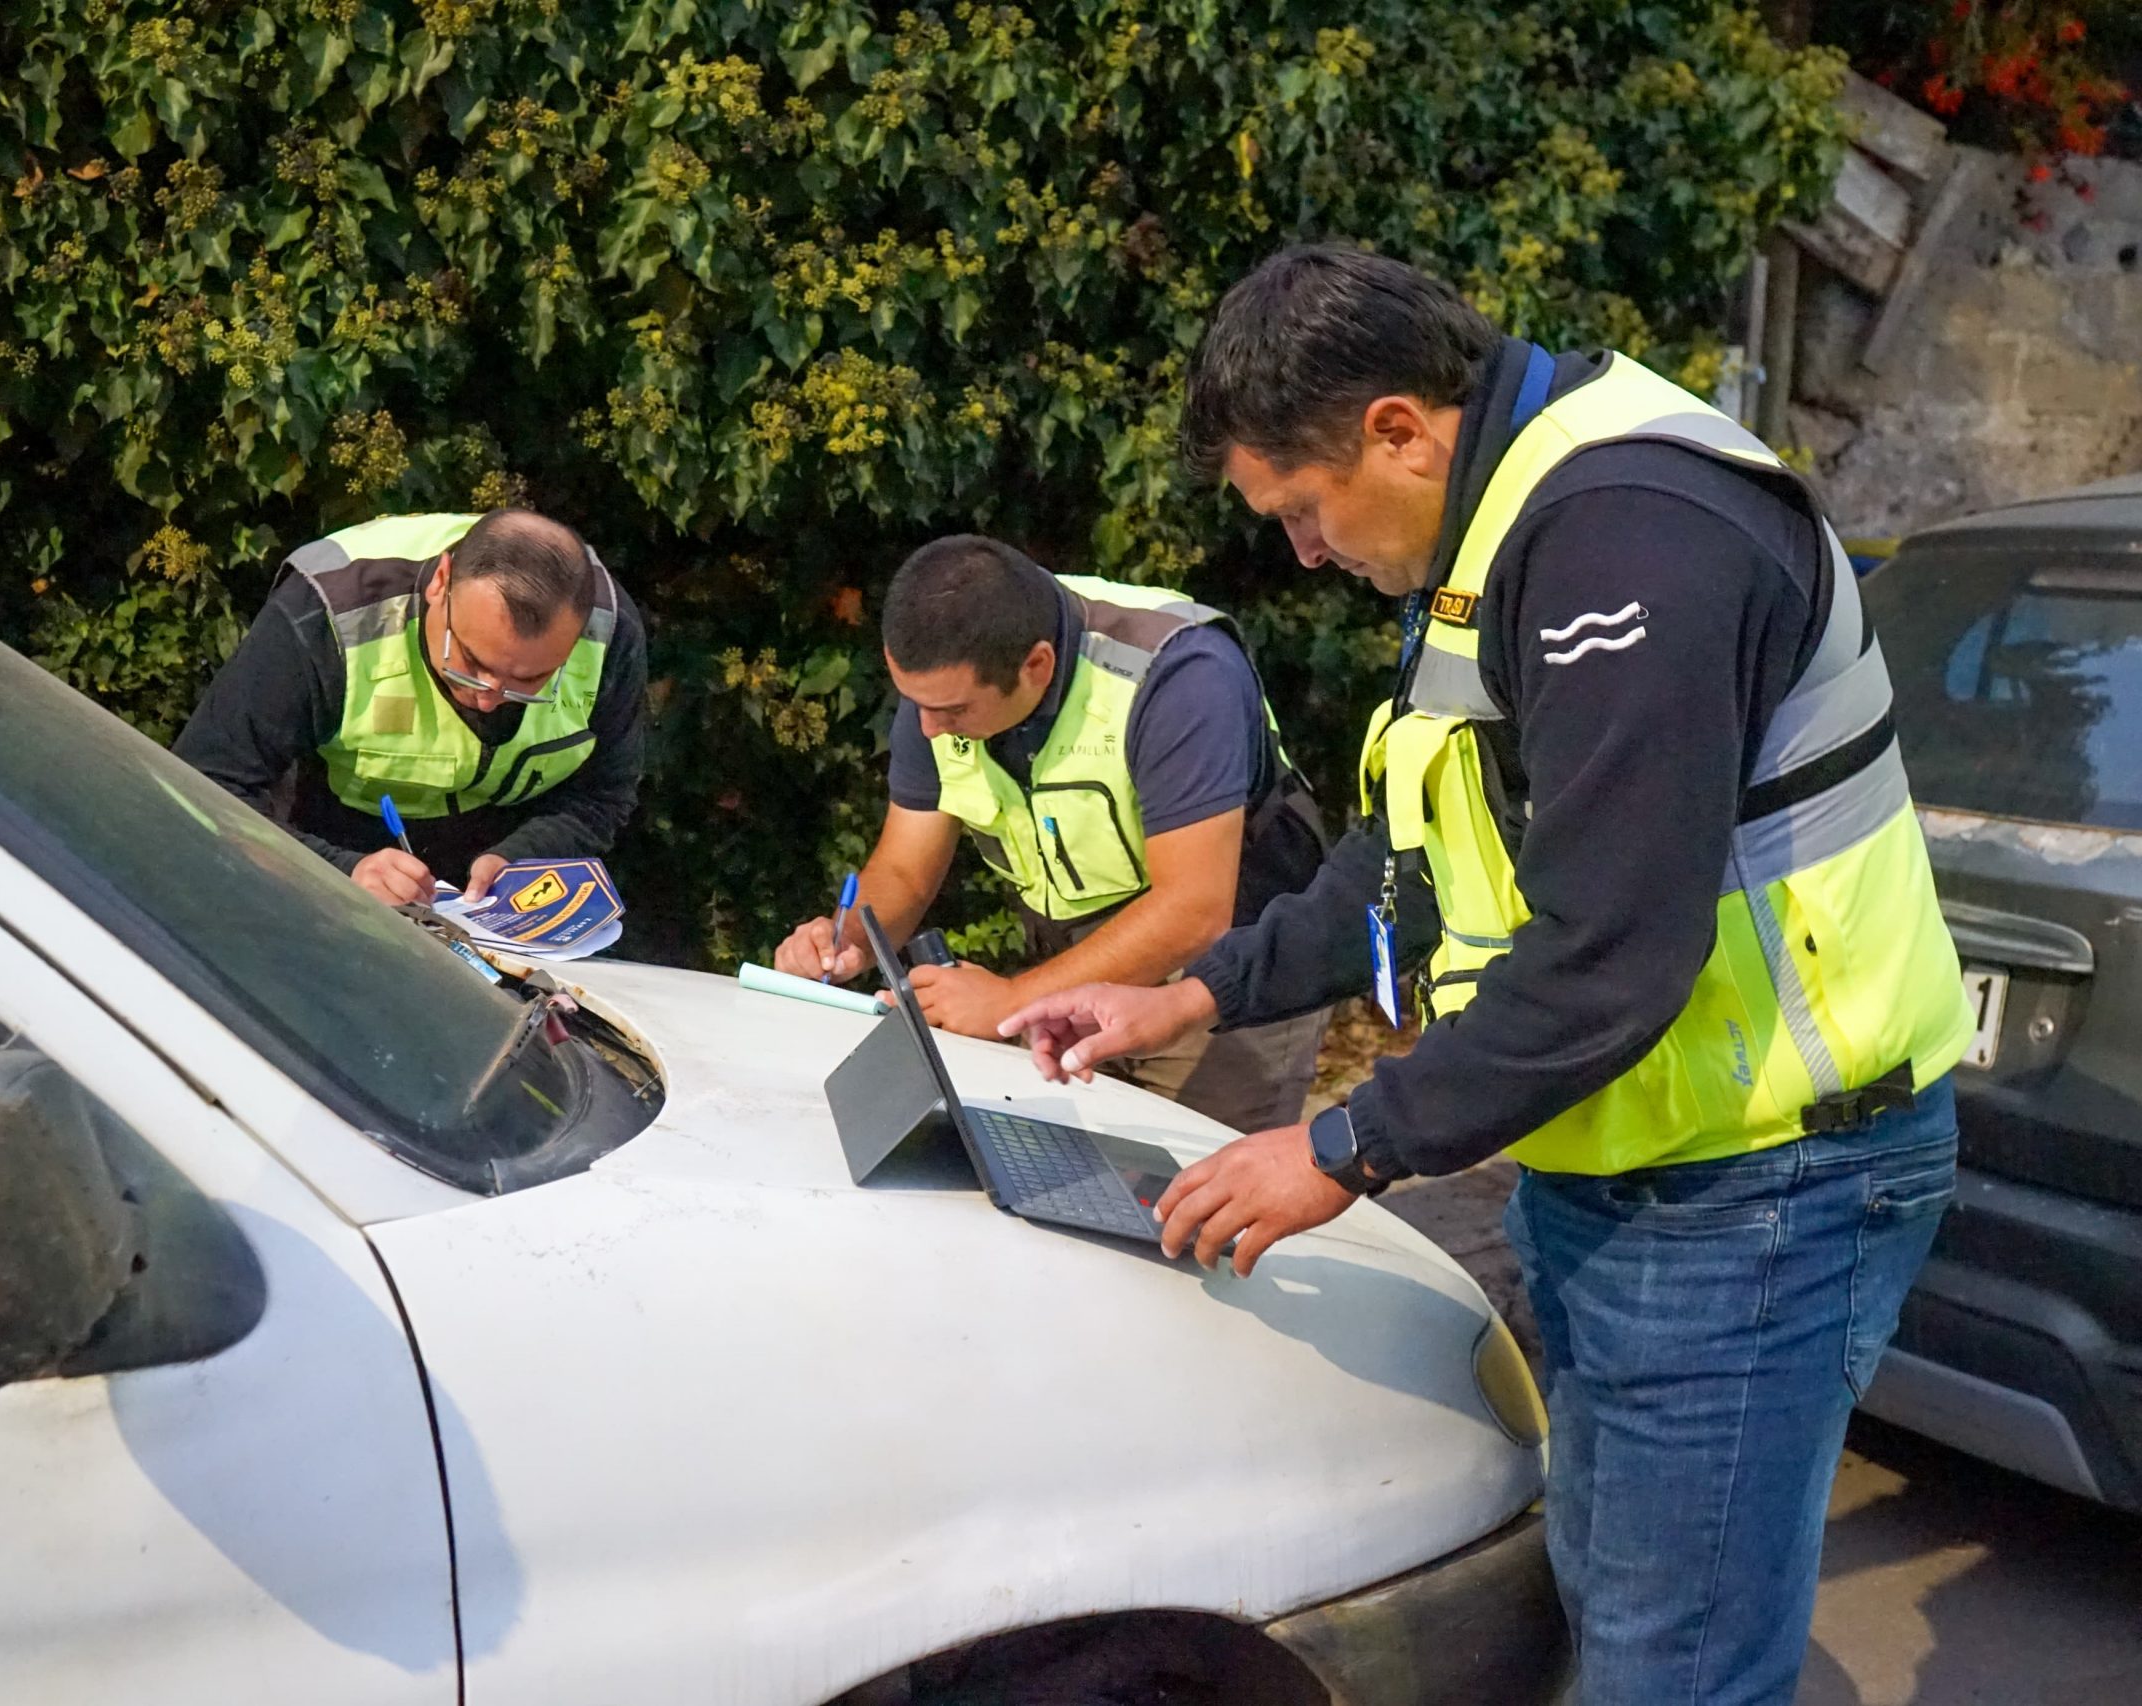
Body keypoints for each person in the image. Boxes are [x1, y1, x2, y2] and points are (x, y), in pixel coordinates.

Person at [1001, 246, 1971, 1705]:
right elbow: (1409, 854)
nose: (1306, 555)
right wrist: (1191, 991)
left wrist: (1344, 1144)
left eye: (1304, 511)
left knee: (1675, 1668)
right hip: (1637, 1160)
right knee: (1608, 1601)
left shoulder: (1626, 544)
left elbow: (1609, 958)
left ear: (1399, 426)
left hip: (1764, 1189)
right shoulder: (1504, 519)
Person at [776, 535, 1330, 1133]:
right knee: (1065, 1196)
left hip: (1223, 986)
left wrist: (1012, 1002)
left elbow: (1194, 908)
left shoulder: (1180, 677)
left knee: (1193, 1205)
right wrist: (849, 935)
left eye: (954, 710)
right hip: (1072, 972)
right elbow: (906, 868)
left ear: (1036, 666)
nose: (930, 728)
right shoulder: (944, 681)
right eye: (914, 702)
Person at [176, 508, 647, 904]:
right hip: (326, 845)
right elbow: (205, 782)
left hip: (490, 887)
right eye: (470, 661)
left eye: (529, 680)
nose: (488, 696)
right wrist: (340, 870)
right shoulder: (329, 612)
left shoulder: (610, 634)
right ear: (440, 582)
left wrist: (520, 856)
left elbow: (605, 795)